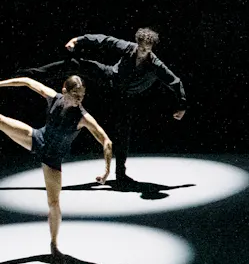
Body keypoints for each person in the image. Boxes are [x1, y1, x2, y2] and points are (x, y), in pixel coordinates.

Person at [0, 75, 112, 256]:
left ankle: (54, 245)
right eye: (75, 94)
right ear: (64, 90)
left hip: (52, 159)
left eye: (82, 96)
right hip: (37, 139)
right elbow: (28, 82)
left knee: (53, 202)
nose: (78, 99)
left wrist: (107, 170)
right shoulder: (53, 98)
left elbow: (106, 141)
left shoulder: (82, 117)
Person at [19, 27, 185, 182]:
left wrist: (182, 105)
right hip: (111, 77)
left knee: (123, 130)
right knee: (77, 64)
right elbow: (104, 40)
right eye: (141, 49)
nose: (143, 53)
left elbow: (175, 82)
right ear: (138, 44)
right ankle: (30, 74)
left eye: (147, 51)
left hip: (126, 95)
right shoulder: (128, 47)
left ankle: (120, 173)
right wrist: (78, 40)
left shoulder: (156, 65)